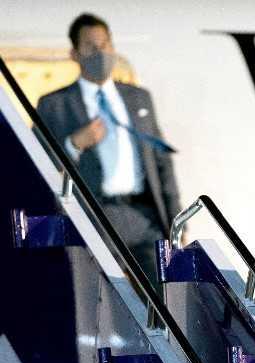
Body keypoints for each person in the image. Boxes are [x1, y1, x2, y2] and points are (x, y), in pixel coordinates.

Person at [36, 12, 180, 290]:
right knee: (102, 304)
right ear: (75, 54)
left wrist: (176, 222)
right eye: (91, 47)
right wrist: (73, 145)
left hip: (144, 217)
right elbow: (36, 166)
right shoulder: (54, 105)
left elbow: (161, 162)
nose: (100, 53)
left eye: (105, 45)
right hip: (94, 219)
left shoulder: (139, 98)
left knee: (166, 300)